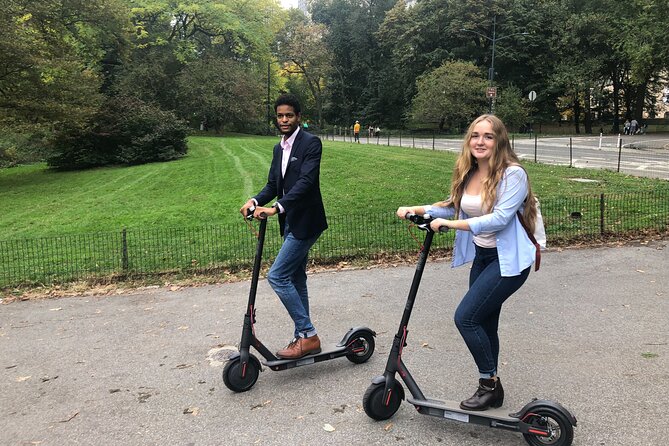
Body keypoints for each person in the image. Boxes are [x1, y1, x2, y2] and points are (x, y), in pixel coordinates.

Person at [395, 114, 541, 411]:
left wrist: (452, 227)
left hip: (509, 261)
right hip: (483, 257)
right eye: (475, 135)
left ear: (500, 140)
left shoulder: (513, 174)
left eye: (488, 136)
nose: (480, 141)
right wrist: (418, 209)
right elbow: (454, 205)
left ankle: (489, 384)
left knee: (466, 317)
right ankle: (492, 387)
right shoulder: (470, 171)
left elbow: (500, 219)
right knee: (485, 322)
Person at [240, 94, 328, 359]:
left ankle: (308, 334)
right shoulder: (279, 149)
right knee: (296, 277)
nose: (284, 120)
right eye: (280, 116)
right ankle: (303, 336)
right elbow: (273, 185)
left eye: (289, 115)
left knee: (277, 276)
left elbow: (306, 183)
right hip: (289, 221)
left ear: (298, 117)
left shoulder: (311, 144)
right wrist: (255, 200)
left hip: (306, 221)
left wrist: (277, 207)